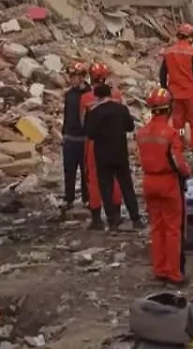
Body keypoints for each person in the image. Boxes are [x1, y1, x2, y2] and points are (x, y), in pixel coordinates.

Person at [137, 87, 191, 283]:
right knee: (172, 229)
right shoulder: (171, 134)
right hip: (167, 183)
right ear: (168, 109)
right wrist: (187, 172)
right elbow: (177, 161)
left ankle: (159, 270)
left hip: (149, 181)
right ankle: (174, 273)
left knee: (156, 227)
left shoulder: (142, 133)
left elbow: (139, 157)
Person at [84, 82, 144, 231]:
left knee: (105, 188)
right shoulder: (121, 109)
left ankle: (112, 221)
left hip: (102, 155)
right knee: (126, 186)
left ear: (97, 96)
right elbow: (130, 126)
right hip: (120, 153)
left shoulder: (94, 112)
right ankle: (136, 218)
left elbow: (89, 133)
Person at [159, 23, 193, 168]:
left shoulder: (168, 52)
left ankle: (178, 152)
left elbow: (162, 73)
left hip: (175, 96)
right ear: (191, 37)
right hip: (191, 95)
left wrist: (165, 90)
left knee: (178, 126)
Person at [81, 62, 123, 230]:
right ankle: (116, 214)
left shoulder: (86, 99)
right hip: (114, 142)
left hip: (93, 142)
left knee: (94, 179)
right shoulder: (117, 96)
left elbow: (83, 123)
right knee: (114, 177)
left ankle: (97, 218)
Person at [60, 61, 91, 210]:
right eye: (70, 76)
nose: (71, 79)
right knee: (69, 170)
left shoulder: (90, 94)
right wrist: (64, 133)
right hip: (70, 138)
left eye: (74, 76)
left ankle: (87, 198)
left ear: (82, 77)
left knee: (87, 172)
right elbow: (67, 115)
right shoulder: (69, 95)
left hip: (85, 138)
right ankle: (69, 198)